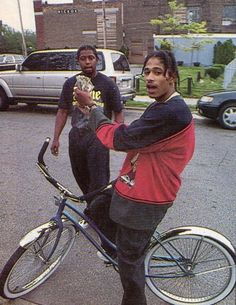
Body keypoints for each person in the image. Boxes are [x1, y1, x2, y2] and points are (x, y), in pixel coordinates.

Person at [74, 50, 195, 305]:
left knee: (131, 263)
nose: (150, 78)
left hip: (147, 196)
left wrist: (94, 108)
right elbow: (132, 134)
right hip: (134, 181)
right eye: (147, 72)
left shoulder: (171, 112)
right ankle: (116, 251)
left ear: (171, 76)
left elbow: (120, 139)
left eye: (157, 72)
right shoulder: (161, 105)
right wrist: (94, 115)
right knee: (96, 207)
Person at [50, 45, 124, 210]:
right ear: (78, 62)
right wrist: (56, 138)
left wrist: (116, 136)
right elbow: (62, 111)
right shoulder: (71, 84)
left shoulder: (107, 84)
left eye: (91, 58)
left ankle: (100, 212)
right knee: (81, 176)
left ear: (97, 60)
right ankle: (94, 207)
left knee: (99, 181)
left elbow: (118, 112)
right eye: (83, 58)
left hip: (98, 139)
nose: (87, 62)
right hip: (76, 138)